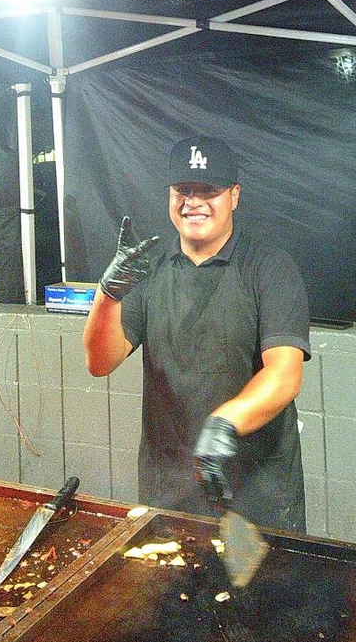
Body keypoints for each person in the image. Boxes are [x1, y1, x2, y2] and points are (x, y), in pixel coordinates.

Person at [82, 135, 311, 532]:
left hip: (257, 491)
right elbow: (100, 362)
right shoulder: (149, 268)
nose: (193, 202)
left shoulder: (269, 267)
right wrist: (108, 294)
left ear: (234, 195)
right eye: (182, 190)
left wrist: (224, 424)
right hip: (169, 488)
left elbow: (285, 373)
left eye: (208, 191)